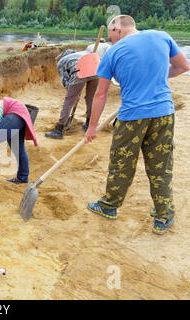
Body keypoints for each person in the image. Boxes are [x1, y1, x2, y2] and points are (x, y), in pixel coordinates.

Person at [85, 15, 190, 235]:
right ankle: (164, 215)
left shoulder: (112, 53)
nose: (109, 38)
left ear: (117, 28)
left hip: (132, 117)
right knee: (161, 165)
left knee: (122, 164)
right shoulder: (162, 37)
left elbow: (100, 95)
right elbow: (182, 67)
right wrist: (157, 76)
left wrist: (92, 126)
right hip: (163, 114)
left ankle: (109, 207)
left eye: (110, 34)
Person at [45, 39, 111, 139]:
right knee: (91, 98)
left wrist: (73, 94)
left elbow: (65, 80)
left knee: (69, 101)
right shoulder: (83, 53)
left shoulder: (61, 62)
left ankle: (59, 130)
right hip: (96, 70)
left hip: (79, 71)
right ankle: (88, 123)